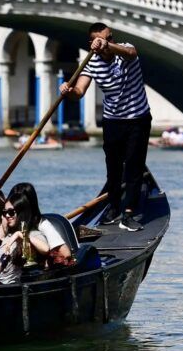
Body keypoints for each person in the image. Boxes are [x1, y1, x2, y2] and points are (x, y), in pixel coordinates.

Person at [60, 22, 151, 232]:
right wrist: (68, 91)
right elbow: (79, 91)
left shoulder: (123, 50)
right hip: (112, 120)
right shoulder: (91, 63)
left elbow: (131, 52)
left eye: (110, 37)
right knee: (113, 167)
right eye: (104, 39)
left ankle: (128, 213)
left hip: (138, 117)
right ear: (92, 43)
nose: (110, 41)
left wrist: (108, 46)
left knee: (134, 167)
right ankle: (114, 206)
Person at [0, 186, 48, 286]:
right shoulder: (9, 237)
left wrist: (20, 235)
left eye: (11, 212)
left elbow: (45, 249)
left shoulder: (34, 234)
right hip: (3, 285)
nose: (7, 216)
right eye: (5, 212)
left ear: (21, 213)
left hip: (21, 287)